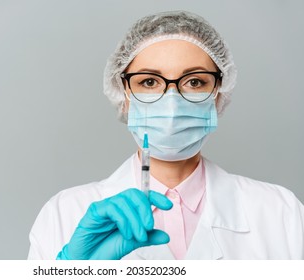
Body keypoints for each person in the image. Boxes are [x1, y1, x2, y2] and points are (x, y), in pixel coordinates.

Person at [28, 11, 304, 260]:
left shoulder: (280, 213)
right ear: (123, 96)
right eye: (149, 82)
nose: (172, 103)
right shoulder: (65, 215)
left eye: (194, 82)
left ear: (219, 94)